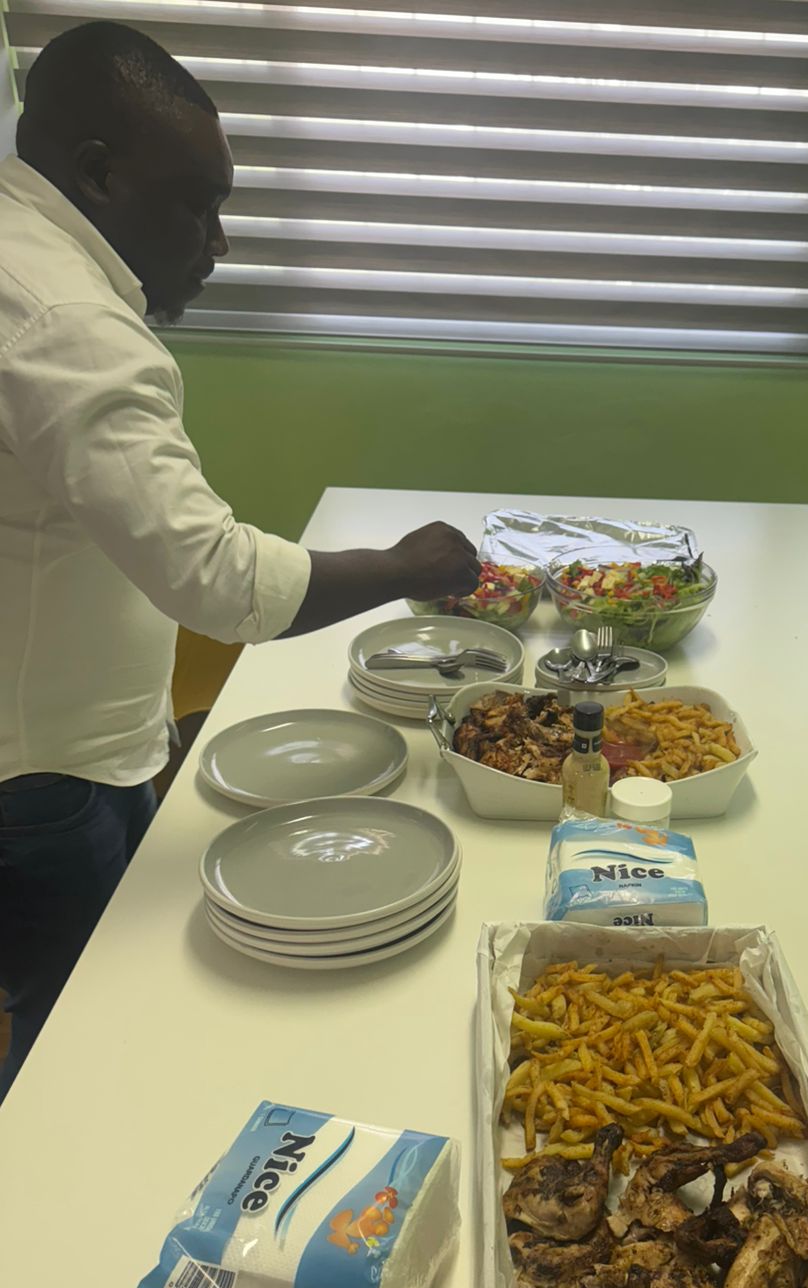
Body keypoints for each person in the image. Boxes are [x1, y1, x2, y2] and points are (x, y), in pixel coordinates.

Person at [0, 22, 481, 1091]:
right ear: (98, 172)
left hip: (60, 744)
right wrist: (407, 567)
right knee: (69, 1059)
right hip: (46, 779)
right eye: (197, 205)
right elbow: (216, 580)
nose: (218, 243)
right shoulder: (66, 324)